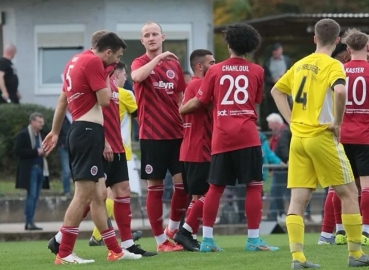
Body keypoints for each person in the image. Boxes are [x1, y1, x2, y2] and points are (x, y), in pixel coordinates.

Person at [271, 18, 369, 268]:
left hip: (299, 139)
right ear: (337, 41)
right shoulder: (333, 64)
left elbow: (276, 91)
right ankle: (356, 254)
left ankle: (297, 258)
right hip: (321, 136)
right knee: (349, 193)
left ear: (314, 38)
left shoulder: (300, 64)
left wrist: (291, 121)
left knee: (298, 199)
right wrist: (337, 122)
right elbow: (340, 91)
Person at [179, 22, 279, 252]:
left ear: (229, 44)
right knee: (254, 185)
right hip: (247, 135)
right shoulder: (258, 71)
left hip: (222, 136)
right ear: (251, 46)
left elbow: (202, 100)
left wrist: (181, 109)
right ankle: (253, 240)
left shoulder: (214, 70)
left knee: (215, 188)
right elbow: (255, 100)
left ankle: (207, 240)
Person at [42, 32, 133, 264]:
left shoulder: (75, 60)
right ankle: (64, 253)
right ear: (108, 51)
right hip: (87, 131)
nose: (116, 63)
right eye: (117, 57)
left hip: (86, 132)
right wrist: (107, 73)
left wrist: (54, 131)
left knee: (99, 196)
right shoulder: (94, 62)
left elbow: (63, 99)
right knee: (83, 195)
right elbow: (104, 100)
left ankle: (115, 250)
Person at [130, 21, 188, 252]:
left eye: (155, 34)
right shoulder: (141, 62)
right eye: (147, 35)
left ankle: (171, 230)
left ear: (162, 36)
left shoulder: (174, 65)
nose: (152, 37)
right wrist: (158, 59)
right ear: (142, 41)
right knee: (155, 188)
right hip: (152, 135)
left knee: (184, 186)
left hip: (177, 134)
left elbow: (181, 99)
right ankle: (160, 242)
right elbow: (136, 77)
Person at [172, 49, 215, 251]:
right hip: (200, 149)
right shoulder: (200, 84)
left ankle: (188, 234)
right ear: (199, 66)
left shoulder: (191, 86)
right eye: (211, 62)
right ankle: (185, 232)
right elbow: (201, 105)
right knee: (208, 194)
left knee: (198, 197)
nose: (215, 66)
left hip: (190, 149)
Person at [318, 42, 351, 246]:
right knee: (352, 187)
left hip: (336, 132)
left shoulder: (326, 70)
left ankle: (329, 233)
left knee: (335, 186)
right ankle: (355, 233)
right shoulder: (336, 70)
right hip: (355, 132)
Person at [340, 29, 369, 246]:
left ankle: (338, 231)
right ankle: (366, 230)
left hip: (341, 135)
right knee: (366, 186)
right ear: (367, 47)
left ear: (348, 49)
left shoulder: (339, 70)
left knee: (341, 187)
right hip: (365, 136)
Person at [14, 112, 49, 230]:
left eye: (42, 122)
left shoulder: (41, 135)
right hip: (30, 170)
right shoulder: (23, 135)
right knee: (31, 195)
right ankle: (28, 221)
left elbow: (43, 149)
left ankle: (31, 221)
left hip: (41, 168)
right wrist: (36, 152)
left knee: (36, 196)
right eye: (39, 122)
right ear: (32, 122)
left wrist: (45, 151)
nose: (41, 124)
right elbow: (18, 151)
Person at [57, 110, 72, 197]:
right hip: (64, 147)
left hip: (76, 147)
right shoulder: (61, 116)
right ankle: (67, 191)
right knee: (66, 170)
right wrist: (61, 143)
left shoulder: (76, 115)